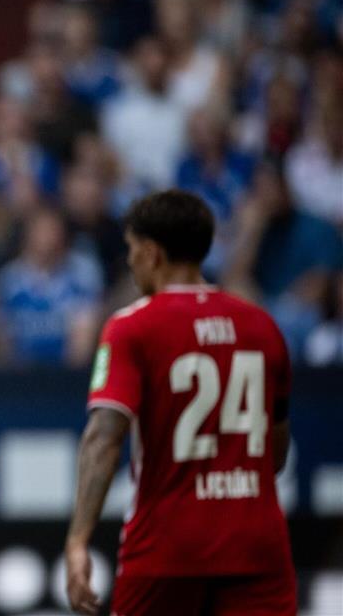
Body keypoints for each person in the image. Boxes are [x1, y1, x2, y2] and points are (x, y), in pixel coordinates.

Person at [64, 190, 295, 616]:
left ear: (151, 253)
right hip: (258, 544)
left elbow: (103, 437)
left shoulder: (132, 328)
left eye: (132, 251)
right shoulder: (262, 326)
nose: (130, 264)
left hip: (167, 548)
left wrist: (78, 540)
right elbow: (276, 451)